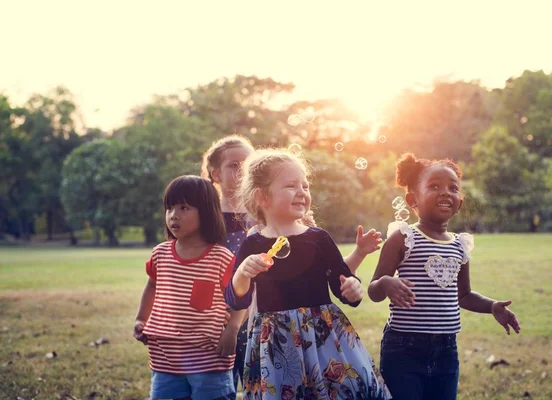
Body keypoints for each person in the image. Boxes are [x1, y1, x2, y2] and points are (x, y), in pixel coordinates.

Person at [202, 135, 383, 394]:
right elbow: (235, 298)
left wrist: (353, 287)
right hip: (275, 341)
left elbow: (342, 281)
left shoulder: (317, 238)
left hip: (322, 336)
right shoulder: (253, 243)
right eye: (291, 186)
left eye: (305, 186)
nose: (302, 192)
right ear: (262, 197)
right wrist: (242, 272)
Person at [368, 153, 521, 400]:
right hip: (403, 348)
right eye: (434, 186)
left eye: (453, 188)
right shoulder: (403, 238)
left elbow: (465, 295)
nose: (445, 192)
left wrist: (492, 306)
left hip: (446, 351)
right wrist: (386, 283)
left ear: (459, 203)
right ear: (412, 200)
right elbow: (373, 290)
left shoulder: (460, 246)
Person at [133, 175, 245, 400]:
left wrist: (232, 329)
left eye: (184, 207)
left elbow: (241, 296)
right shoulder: (160, 254)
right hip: (165, 357)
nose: (174, 215)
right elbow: (152, 288)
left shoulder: (221, 258)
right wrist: (141, 318)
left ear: (206, 212)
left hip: (208, 358)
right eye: (169, 208)